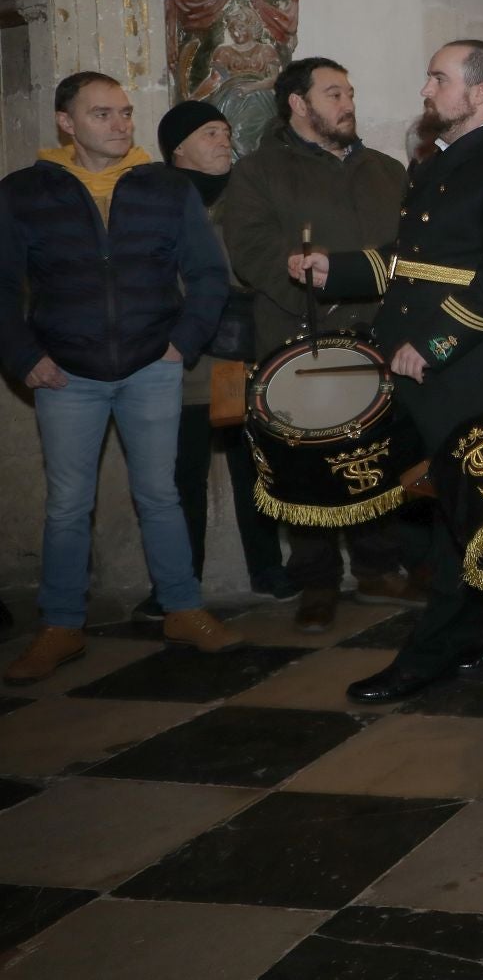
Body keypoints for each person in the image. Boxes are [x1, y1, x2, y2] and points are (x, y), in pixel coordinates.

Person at [291, 41, 483, 703]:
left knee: (464, 512)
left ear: (480, 94)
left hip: (478, 365)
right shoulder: (444, 161)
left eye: (439, 78)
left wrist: (436, 343)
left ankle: (434, 649)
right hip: (430, 362)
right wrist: (339, 268)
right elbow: (411, 259)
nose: (426, 89)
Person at [1, 72, 243, 683]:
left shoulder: (165, 187)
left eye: (126, 114)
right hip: (65, 373)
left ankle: (183, 609)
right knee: (66, 505)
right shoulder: (25, 193)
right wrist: (23, 355)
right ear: (66, 122)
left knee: (160, 494)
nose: (120, 125)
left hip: (150, 366)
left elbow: (210, 276)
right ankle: (61, 624)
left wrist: (181, 344)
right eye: (103, 114)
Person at [224, 57, 424, 633]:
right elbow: (250, 249)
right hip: (300, 342)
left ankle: (378, 568)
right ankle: (315, 581)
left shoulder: (388, 171)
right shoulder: (259, 172)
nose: (347, 103)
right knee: (307, 467)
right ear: (298, 103)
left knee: (375, 460)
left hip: (380, 340)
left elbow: (410, 253)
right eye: (333, 93)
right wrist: (305, 283)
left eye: (349, 92)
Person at [143, 101, 290, 618]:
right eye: (210, 133)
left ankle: (268, 569)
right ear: (178, 146)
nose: (224, 141)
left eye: (227, 132)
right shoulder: (153, 196)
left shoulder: (246, 195)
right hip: (176, 355)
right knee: (181, 474)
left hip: (238, 353)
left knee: (255, 466)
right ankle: (177, 585)